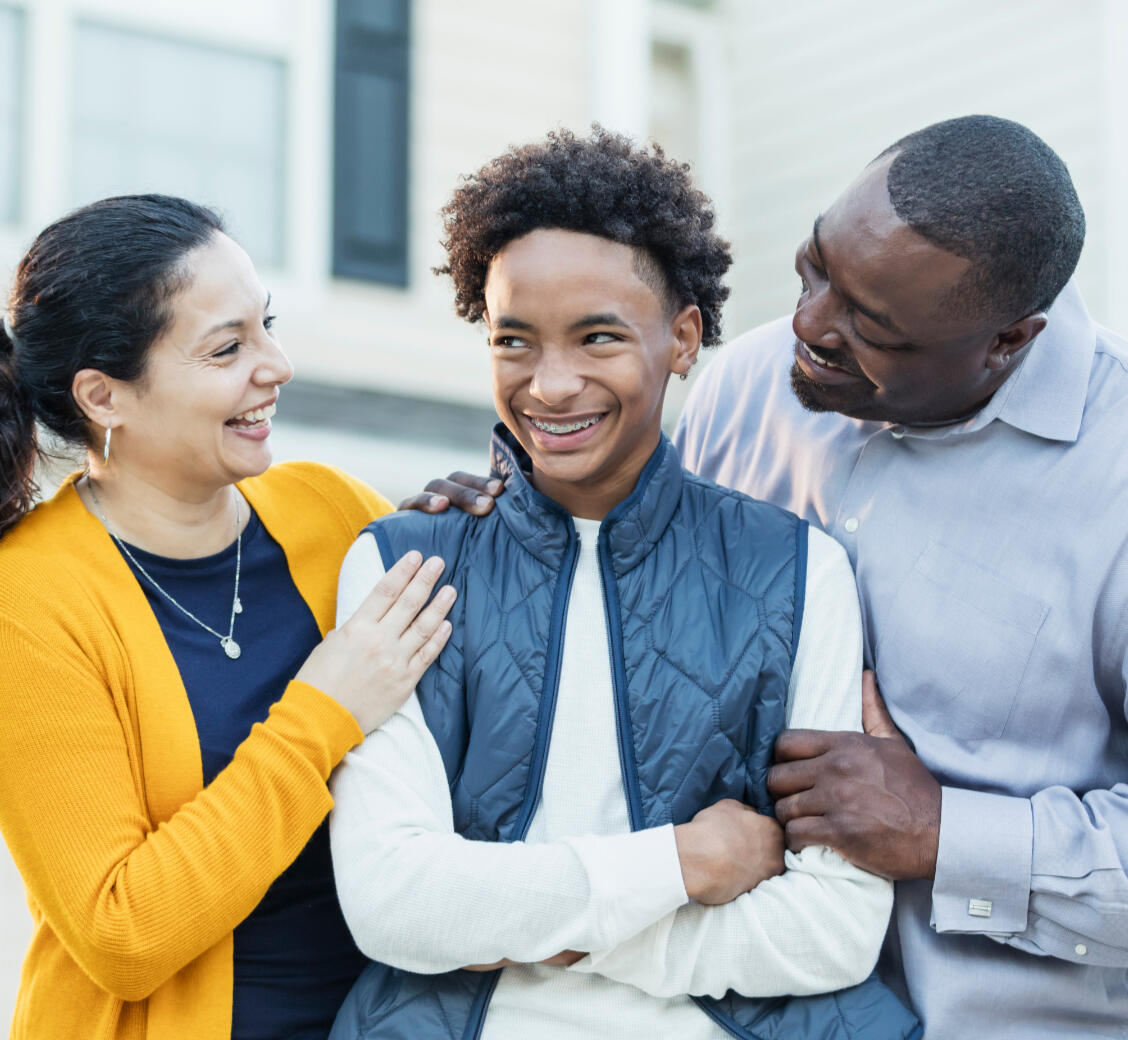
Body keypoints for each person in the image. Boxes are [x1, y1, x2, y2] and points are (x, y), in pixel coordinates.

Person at [414, 114, 1128, 1038]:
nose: (808, 324)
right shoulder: (751, 383)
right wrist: (515, 522)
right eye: (815, 266)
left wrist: (948, 834)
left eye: (871, 326)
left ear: (1007, 341)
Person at [328, 129, 920, 1040]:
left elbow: (832, 933)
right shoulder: (406, 564)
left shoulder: (798, 571)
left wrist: (533, 927)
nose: (550, 384)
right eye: (513, 340)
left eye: (598, 337)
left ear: (682, 338)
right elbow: (393, 906)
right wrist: (678, 868)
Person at [0, 195, 455, 1040]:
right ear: (105, 396)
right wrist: (323, 715)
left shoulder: (329, 509)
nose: (275, 365)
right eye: (227, 348)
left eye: (267, 326)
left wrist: (480, 553)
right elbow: (121, 933)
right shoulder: (28, 601)